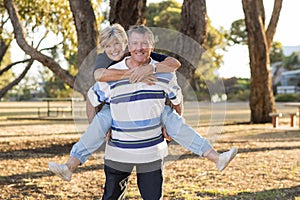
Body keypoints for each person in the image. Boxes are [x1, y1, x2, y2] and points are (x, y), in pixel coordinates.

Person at [48, 24, 237, 187]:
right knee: (102, 121)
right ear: (129, 46)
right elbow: (97, 79)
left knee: (174, 121)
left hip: (154, 110)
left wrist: (150, 69)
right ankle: (69, 166)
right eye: (108, 46)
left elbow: (175, 70)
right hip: (113, 109)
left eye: (117, 45)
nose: (113, 49)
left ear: (126, 46)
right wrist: (133, 74)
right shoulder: (107, 65)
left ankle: (216, 158)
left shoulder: (154, 61)